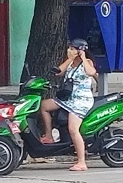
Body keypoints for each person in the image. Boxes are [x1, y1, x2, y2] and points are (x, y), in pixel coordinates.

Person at [39, 38, 97, 172]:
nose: (69, 50)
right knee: (44, 106)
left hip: (81, 100)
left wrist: (83, 57)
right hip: (68, 98)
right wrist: (70, 59)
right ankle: (49, 136)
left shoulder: (87, 62)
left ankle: (81, 162)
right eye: (69, 48)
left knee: (73, 129)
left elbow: (91, 72)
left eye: (72, 48)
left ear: (80, 50)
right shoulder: (70, 63)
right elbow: (59, 72)